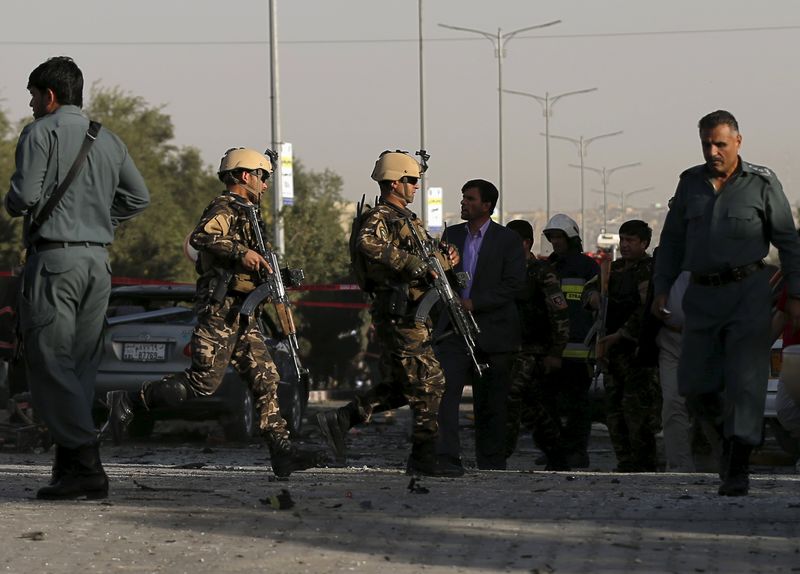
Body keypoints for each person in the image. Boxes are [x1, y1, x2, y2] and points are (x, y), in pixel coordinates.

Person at [107, 147, 321, 479]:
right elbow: (203, 237)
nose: (265, 186)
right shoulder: (225, 206)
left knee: (266, 378)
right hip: (221, 312)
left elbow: (252, 262)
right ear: (245, 176)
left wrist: (276, 273)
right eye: (263, 178)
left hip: (244, 313)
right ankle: (130, 401)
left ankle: (282, 452)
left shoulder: (249, 212)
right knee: (202, 383)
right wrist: (242, 253)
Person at [4, 56, 150, 499]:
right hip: (96, 265)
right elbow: (138, 198)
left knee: (49, 363)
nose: (29, 105)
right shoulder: (107, 138)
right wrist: (96, 220)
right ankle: (69, 470)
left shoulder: (39, 132)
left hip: (55, 262)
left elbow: (24, 195)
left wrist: (13, 203)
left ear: (49, 96)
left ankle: (87, 462)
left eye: (32, 96)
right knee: (81, 367)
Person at [653, 109, 800, 496]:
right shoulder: (690, 184)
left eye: (720, 143)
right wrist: (661, 287)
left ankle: (736, 466)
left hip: (748, 292)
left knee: (746, 383)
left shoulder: (762, 183)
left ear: (738, 141)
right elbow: (671, 241)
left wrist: (795, 294)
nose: (713, 151)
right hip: (702, 295)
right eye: (707, 144)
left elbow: (787, 242)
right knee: (695, 385)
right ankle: (731, 443)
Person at [316, 150, 463, 477]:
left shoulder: (408, 218)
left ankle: (342, 419)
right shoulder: (381, 216)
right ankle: (424, 457)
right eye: (411, 181)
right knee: (430, 380)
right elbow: (367, 244)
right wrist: (411, 264)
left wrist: (445, 257)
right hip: (400, 313)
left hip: (416, 312)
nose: (415, 187)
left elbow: (427, 258)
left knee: (402, 385)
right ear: (395, 182)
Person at [434, 179, 526, 470]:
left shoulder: (507, 240)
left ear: (487, 205)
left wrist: (475, 302)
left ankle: (491, 462)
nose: (464, 203)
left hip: (494, 333)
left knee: (491, 403)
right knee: (446, 394)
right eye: (463, 198)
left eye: (471, 199)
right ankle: (448, 457)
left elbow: (513, 285)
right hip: (454, 331)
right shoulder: (452, 235)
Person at [587, 220, 661, 472]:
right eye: (623, 239)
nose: (626, 245)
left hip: (637, 353)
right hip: (611, 352)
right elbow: (591, 290)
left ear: (644, 243)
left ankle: (644, 462)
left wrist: (621, 334)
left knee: (638, 411)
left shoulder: (650, 271)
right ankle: (625, 461)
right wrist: (593, 297)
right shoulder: (613, 269)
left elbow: (646, 309)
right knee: (614, 410)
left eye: (631, 240)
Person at [504, 220, 571, 470]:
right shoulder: (504, 272)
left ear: (525, 243)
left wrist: (556, 352)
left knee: (510, 396)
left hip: (534, 350)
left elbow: (559, 314)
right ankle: (556, 452)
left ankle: (500, 453)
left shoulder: (541, 273)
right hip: (509, 347)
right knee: (532, 407)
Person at [542, 214, 599, 468]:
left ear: (571, 239)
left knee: (578, 406)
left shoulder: (588, 268)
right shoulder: (549, 267)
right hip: (552, 347)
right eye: (552, 237)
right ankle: (555, 450)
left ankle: (577, 450)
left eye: (559, 237)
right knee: (550, 403)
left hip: (579, 348)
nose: (555, 242)